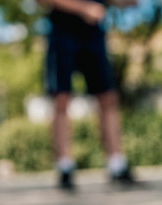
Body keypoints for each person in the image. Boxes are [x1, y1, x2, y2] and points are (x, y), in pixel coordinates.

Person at [38, 0, 138, 190]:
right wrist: (83, 8)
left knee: (107, 97)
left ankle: (117, 164)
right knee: (61, 98)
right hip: (62, 30)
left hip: (93, 32)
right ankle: (64, 167)